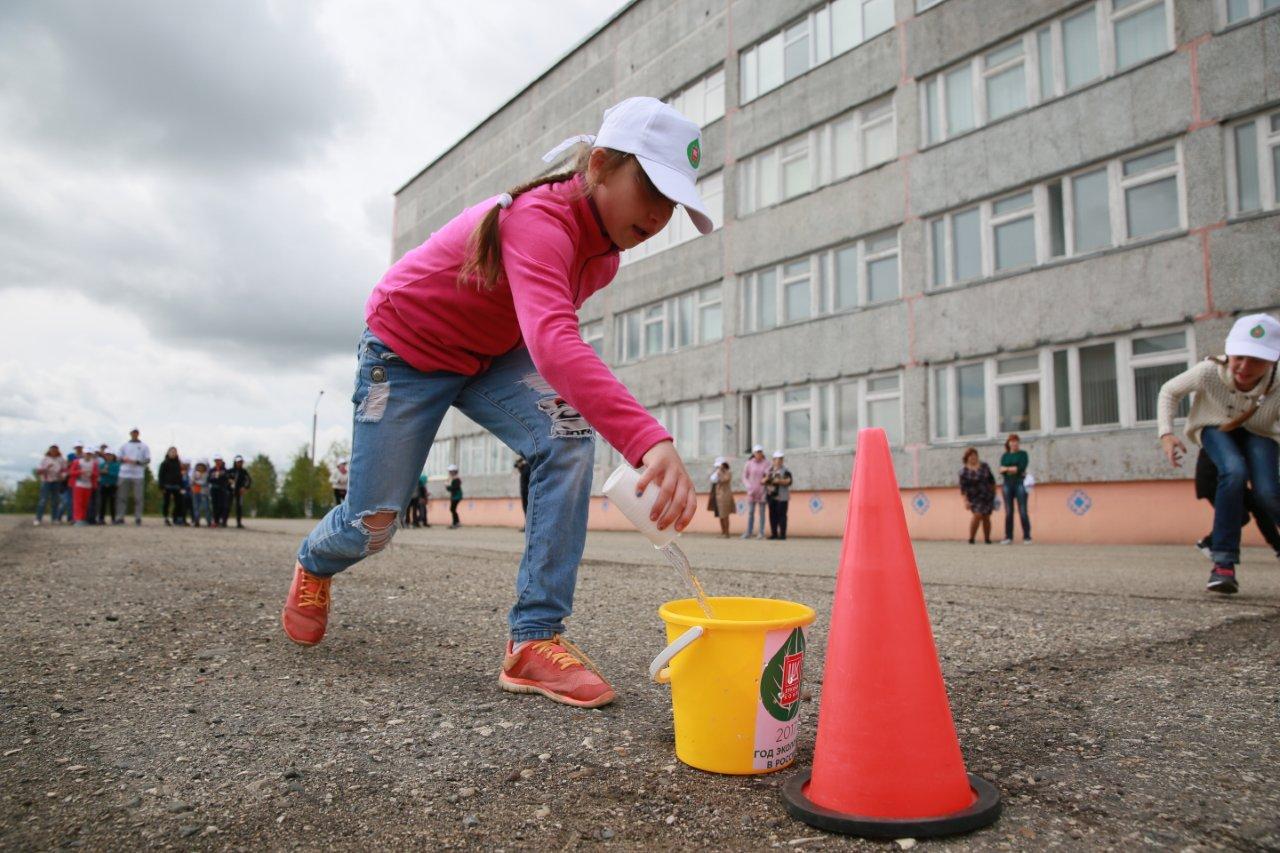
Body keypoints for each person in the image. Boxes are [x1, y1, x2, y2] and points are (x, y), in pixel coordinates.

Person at [282, 96, 711, 709]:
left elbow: (542, 336)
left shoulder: (605, 256)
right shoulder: (540, 220)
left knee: (565, 438)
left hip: (488, 356)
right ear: (599, 166)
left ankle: (534, 638)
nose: (661, 214)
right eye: (651, 189)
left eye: (674, 202)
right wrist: (646, 437)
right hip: (406, 347)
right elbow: (555, 343)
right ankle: (314, 561)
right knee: (371, 525)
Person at [1159, 313, 1280, 594]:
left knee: (1267, 493)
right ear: (1229, 351)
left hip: (1260, 432)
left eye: (1257, 360)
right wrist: (1167, 434)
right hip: (1216, 427)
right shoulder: (1208, 371)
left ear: (1273, 360)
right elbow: (1169, 391)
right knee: (1233, 471)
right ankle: (1223, 563)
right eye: (1239, 357)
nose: (1245, 367)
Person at [1192, 449, 1280, 560]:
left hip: (1235, 485)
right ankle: (1208, 543)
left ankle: (1278, 547)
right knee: (1240, 516)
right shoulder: (1219, 439)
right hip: (1213, 484)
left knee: (1259, 508)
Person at [998, 434, 1031, 545]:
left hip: (1020, 483)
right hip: (1007, 484)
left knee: (1022, 510)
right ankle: (1008, 537)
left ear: (1018, 443)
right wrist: (1011, 469)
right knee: (1009, 511)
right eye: (1012, 441)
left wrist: (1008, 469)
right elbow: (1001, 469)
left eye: (1016, 441)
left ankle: (1027, 537)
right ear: (1008, 443)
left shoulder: (1023, 454)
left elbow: (1020, 468)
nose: (1014, 443)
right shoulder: (1005, 456)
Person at [958, 447, 997, 544]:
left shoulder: (985, 466)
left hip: (987, 495)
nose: (973, 458)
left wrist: (995, 495)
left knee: (986, 517)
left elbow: (992, 481)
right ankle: (971, 538)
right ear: (967, 458)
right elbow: (963, 489)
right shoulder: (963, 471)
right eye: (971, 456)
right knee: (977, 514)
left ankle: (987, 539)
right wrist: (966, 501)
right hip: (974, 497)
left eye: (975, 456)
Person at [117, 428, 151, 525]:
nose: (134, 434)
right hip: (124, 473)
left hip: (138, 474)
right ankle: (120, 517)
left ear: (138, 434)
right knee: (122, 497)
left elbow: (148, 460)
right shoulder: (124, 446)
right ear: (130, 434)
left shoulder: (144, 446)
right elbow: (118, 458)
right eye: (133, 433)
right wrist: (125, 460)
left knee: (138, 497)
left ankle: (138, 517)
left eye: (136, 433)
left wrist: (137, 462)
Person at [741, 444, 770, 540]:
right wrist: (748, 486)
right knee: (751, 512)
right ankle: (749, 532)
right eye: (757, 452)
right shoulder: (749, 463)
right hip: (751, 491)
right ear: (754, 453)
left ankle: (761, 533)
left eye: (760, 452)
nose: (759, 453)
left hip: (762, 491)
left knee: (762, 512)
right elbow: (744, 476)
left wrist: (766, 478)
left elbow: (768, 474)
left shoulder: (766, 463)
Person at [34, 445, 67, 526]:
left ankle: (54, 519)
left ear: (58, 450)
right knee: (43, 500)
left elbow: (65, 470)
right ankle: (38, 519)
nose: (53, 451)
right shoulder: (45, 459)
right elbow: (38, 471)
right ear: (49, 450)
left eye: (55, 450)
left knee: (55, 501)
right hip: (46, 481)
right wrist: (46, 468)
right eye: (52, 450)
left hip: (56, 481)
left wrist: (63, 476)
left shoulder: (61, 459)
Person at [765, 451, 793, 540]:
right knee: (772, 515)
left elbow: (789, 481)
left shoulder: (786, 471)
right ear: (773, 460)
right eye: (777, 459)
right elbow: (763, 481)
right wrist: (768, 480)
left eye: (781, 459)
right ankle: (774, 534)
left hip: (782, 497)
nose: (779, 461)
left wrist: (779, 481)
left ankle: (782, 535)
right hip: (771, 496)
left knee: (782, 516)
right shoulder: (769, 471)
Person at [67, 448, 99, 525]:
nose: (88, 455)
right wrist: (81, 472)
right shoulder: (77, 462)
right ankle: (77, 519)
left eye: (90, 454)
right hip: (78, 484)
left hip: (88, 485)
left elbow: (96, 474)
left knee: (85, 503)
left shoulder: (94, 463)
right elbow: (71, 472)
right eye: (87, 453)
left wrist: (91, 474)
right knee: (78, 502)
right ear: (83, 454)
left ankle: (83, 518)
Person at [709, 456, 735, 538]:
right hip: (718, 496)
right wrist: (718, 472)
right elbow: (712, 479)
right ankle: (723, 532)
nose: (718, 467)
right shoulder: (717, 472)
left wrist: (719, 472)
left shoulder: (728, 472)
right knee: (720, 515)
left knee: (725, 515)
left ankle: (727, 533)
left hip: (725, 496)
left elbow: (724, 480)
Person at [158, 447, 183, 527]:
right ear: (168, 453)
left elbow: (180, 476)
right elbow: (160, 475)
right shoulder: (164, 463)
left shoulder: (178, 463)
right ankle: (166, 517)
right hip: (167, 486)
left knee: (178, 503)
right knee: (166, 503)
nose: (173, 453)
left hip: (177, 486)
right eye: (171, 452)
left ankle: (176, 518)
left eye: (175, 452)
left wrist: (181, 486)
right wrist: (161, 486)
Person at [97, 450, 120, 525]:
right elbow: (99, 473)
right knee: (102, 503)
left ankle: (113, 519)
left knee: (112, 503)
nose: (108, 456)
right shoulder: (102, 464)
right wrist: (101, 472)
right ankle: (101, 519)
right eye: (106, 455)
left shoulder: (116, 465)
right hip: (103, 485)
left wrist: (107, 472)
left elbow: (116, 474)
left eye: (110, 455)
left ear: (113, 456)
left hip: (112, 486)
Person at [208, 454, 232, 528]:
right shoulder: (212, 470)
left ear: (221, 461)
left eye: (219, 460)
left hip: (222, 490)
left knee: (223, 505)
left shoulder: (225, 470)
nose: (218, 462)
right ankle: (216, 521)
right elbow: (209, 480)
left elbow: (227, 479)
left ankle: (223, 521)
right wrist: (215, 477)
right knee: (215, 506)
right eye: (216, 460)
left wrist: (221, 477)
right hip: (214, 490)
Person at [230, 455, 253, 528]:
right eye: (238, 462)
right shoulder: (230, 471)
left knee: (239, 507)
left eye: (241, 462)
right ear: (235, 462)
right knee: (226, 506)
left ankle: (238, 522)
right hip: (229, 491)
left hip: (239, 492)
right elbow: (224, 478)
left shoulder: (244, 471)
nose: (240, 463)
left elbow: (249, 480)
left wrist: (245, 487)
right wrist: (229, 481)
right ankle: (222, 521)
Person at [190, 460, 210, 527]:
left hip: (204, 493)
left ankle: (209, 521)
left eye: (201, 466)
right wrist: (195, 481)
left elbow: (204, 482)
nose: (200, 467)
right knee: (196, 507)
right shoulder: (194, 473)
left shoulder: (206, 474)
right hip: (195, 492)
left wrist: (196, 481)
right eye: (199, 466)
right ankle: (196, 521)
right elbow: (191, 482)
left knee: (206, 507)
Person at [514, 455, 531, 530]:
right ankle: (527, 526)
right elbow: (515, 465)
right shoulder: (523, 468)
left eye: (519, 463)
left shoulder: (527, 468)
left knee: (528, 509)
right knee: (525, 509)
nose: (518, 466)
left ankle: (528, 527)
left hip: (527, 492)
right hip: (524, 492)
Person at [447, 465, 463, 529]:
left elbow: (455, 488)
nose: (450, 473)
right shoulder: (453, 479)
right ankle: (456, 522)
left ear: (454, 472)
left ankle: (456, 523)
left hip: (457, 496)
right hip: (454, 496)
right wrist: (447, 487)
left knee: (452, 509)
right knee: (452, 509)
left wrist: (448, 486)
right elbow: (450, 489)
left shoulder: (456, 479)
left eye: (451, 471)